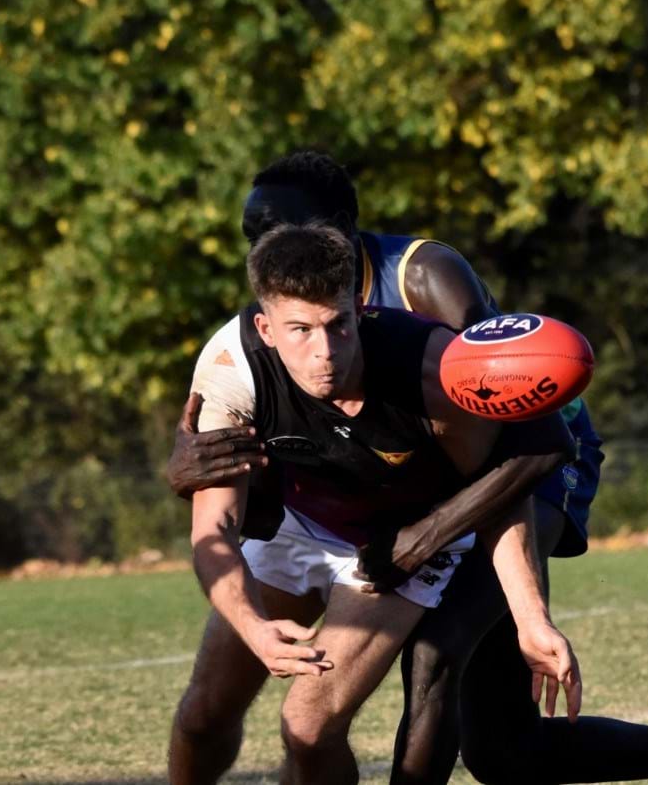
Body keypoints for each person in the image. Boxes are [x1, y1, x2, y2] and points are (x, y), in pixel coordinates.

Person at [169, 151, 648, 785]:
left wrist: (452, 559)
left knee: (433, 655)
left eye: (289, 232)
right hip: (384, 496)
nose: (273, 251)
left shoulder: (423, 285)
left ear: (344, 234)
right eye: (257, 236)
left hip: (527, 466)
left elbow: (526, 436)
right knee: (503, 751)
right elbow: (261, 477)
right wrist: (195, 467)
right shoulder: (258, 333)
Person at [169, 221, 581, 785]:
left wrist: (532, 621)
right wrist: (253, 626)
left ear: (359, 311)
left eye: (339, 325)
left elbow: (500, 495)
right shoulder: (230, 371)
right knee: (201, 715)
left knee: (307, 728)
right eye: (300, 330)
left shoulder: (433, 369)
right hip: (302, 524)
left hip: (403, 538)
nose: (325, 351)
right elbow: (213, 530)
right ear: (265, 328)